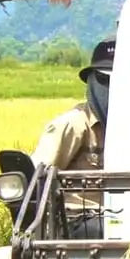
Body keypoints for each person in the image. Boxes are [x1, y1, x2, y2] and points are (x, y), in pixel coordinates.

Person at [33, 38, 114, 169]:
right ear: (91, 80)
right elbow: (37, 179)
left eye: (117, 80)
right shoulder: (71, 126)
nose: (110, 87)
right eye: (104, 79)